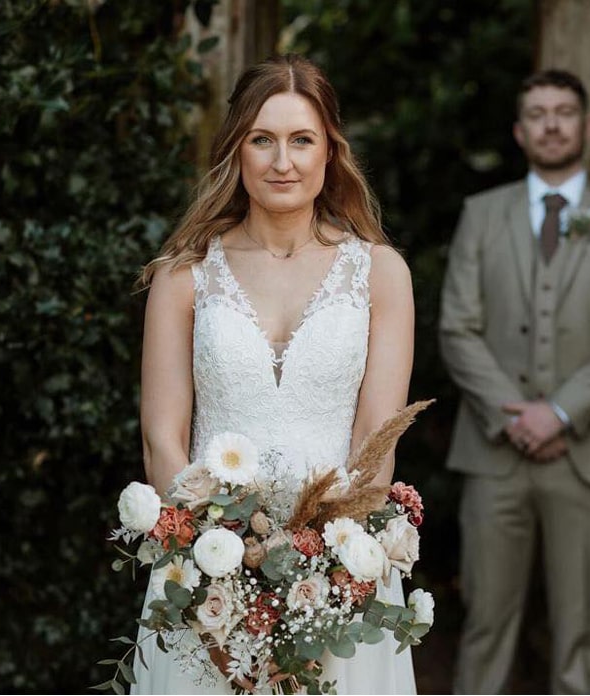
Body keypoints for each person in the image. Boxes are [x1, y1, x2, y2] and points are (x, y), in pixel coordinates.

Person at [131, 54, 418, 693]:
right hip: (205, 571)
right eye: (262, 139)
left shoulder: (381, 274)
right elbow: (162, 438)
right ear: (237, 149)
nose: (281, 161)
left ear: (330, 152)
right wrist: (212, 566)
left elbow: (377, 441)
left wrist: (329, 579)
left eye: (300, 140)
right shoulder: (184, 275)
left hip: (341, 570)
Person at [440, 68, 590, 695]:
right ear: (519, 130)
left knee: (581, 630)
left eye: (564, 111)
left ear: (588, 127)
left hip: (588, 455)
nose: (552, 123)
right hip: (493, 453)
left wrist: (558, 413)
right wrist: (514, 418)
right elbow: (457, 328)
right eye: (538, 113)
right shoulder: (480, 215)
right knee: (485, 624)